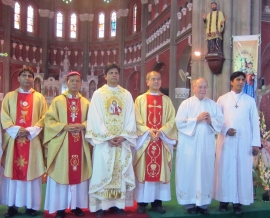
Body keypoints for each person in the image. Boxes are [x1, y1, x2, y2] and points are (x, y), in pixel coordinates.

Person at [85, 63, 137, 217]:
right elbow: (95, 117)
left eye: (116, 73)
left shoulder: (126, 94)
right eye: (111, 73)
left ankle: (117, 204)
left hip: (122, 141)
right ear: (105, 76)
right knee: (102, 171)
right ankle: (101, 205)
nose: (114, 75)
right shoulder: (98, 94)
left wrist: (124, 136)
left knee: (119, 173)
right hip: (104, 142)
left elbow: (130, 116)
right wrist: (107, 136)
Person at [0, 66, 48, 217]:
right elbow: (4, 116)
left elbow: (45, 117)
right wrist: (16, 130)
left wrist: (30, 131)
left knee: (32, 173)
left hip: (32, 140)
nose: (27, 78)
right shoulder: (9, 97)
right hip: (13, 140)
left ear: (33, 80)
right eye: (24, 75)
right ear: (18, 78)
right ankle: (12, 206)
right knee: (13, 174)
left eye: (30, 76)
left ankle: (31, 206)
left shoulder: (39, 98)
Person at [43, 71, 92, 218]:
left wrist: (83, 125)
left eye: (77, 81)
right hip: (63, 145)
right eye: (72, 81)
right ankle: (60, 207)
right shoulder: (58, 101)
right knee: (62, 173)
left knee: (79, 172)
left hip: (80, 144)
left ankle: (77, 205)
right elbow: (49, 121)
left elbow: (94, 121)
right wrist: (64, 126)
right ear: (67, 82)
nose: (75, 83)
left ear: (81, 83)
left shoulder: (86, 102)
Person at [213, 71, 261, 215]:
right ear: (231, 82)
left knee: (242, 171)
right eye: (238, 80)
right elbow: (216, 120)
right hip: (226, 141)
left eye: (243, 80)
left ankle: (238, 203)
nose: (241, 82)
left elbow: (254, 123)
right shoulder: (222, 100)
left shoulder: (249, 100)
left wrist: (255, 143)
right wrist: (226, 130)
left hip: (243, 143)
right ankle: (224, 200)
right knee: (225, 170)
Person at [175, 78, 224, 215]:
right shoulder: (186, 104)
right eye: (200, 87)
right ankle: (189, 203)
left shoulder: (212, 104)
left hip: (206, 146)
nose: (203, 90)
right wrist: (195, 119)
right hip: (189, 147)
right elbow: (179, 122)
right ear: (193, 87)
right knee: (189, 171)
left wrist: (210, 121)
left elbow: (220, 122)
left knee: (205, 171)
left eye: (205, 87)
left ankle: (203, 204)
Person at [134, 71, 177, 214]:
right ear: (147, 81)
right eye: (153, 79)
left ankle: (157, 202)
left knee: (160, 172)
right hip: (145, 141)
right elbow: (136, 119)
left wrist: (161, 131)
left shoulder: (166, 100)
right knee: (143, 170)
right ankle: (142, 202)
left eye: (158, 79)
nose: (156, 82)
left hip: (161, 140)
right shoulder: (140, 100)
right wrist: (148, 131)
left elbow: (172, 119)